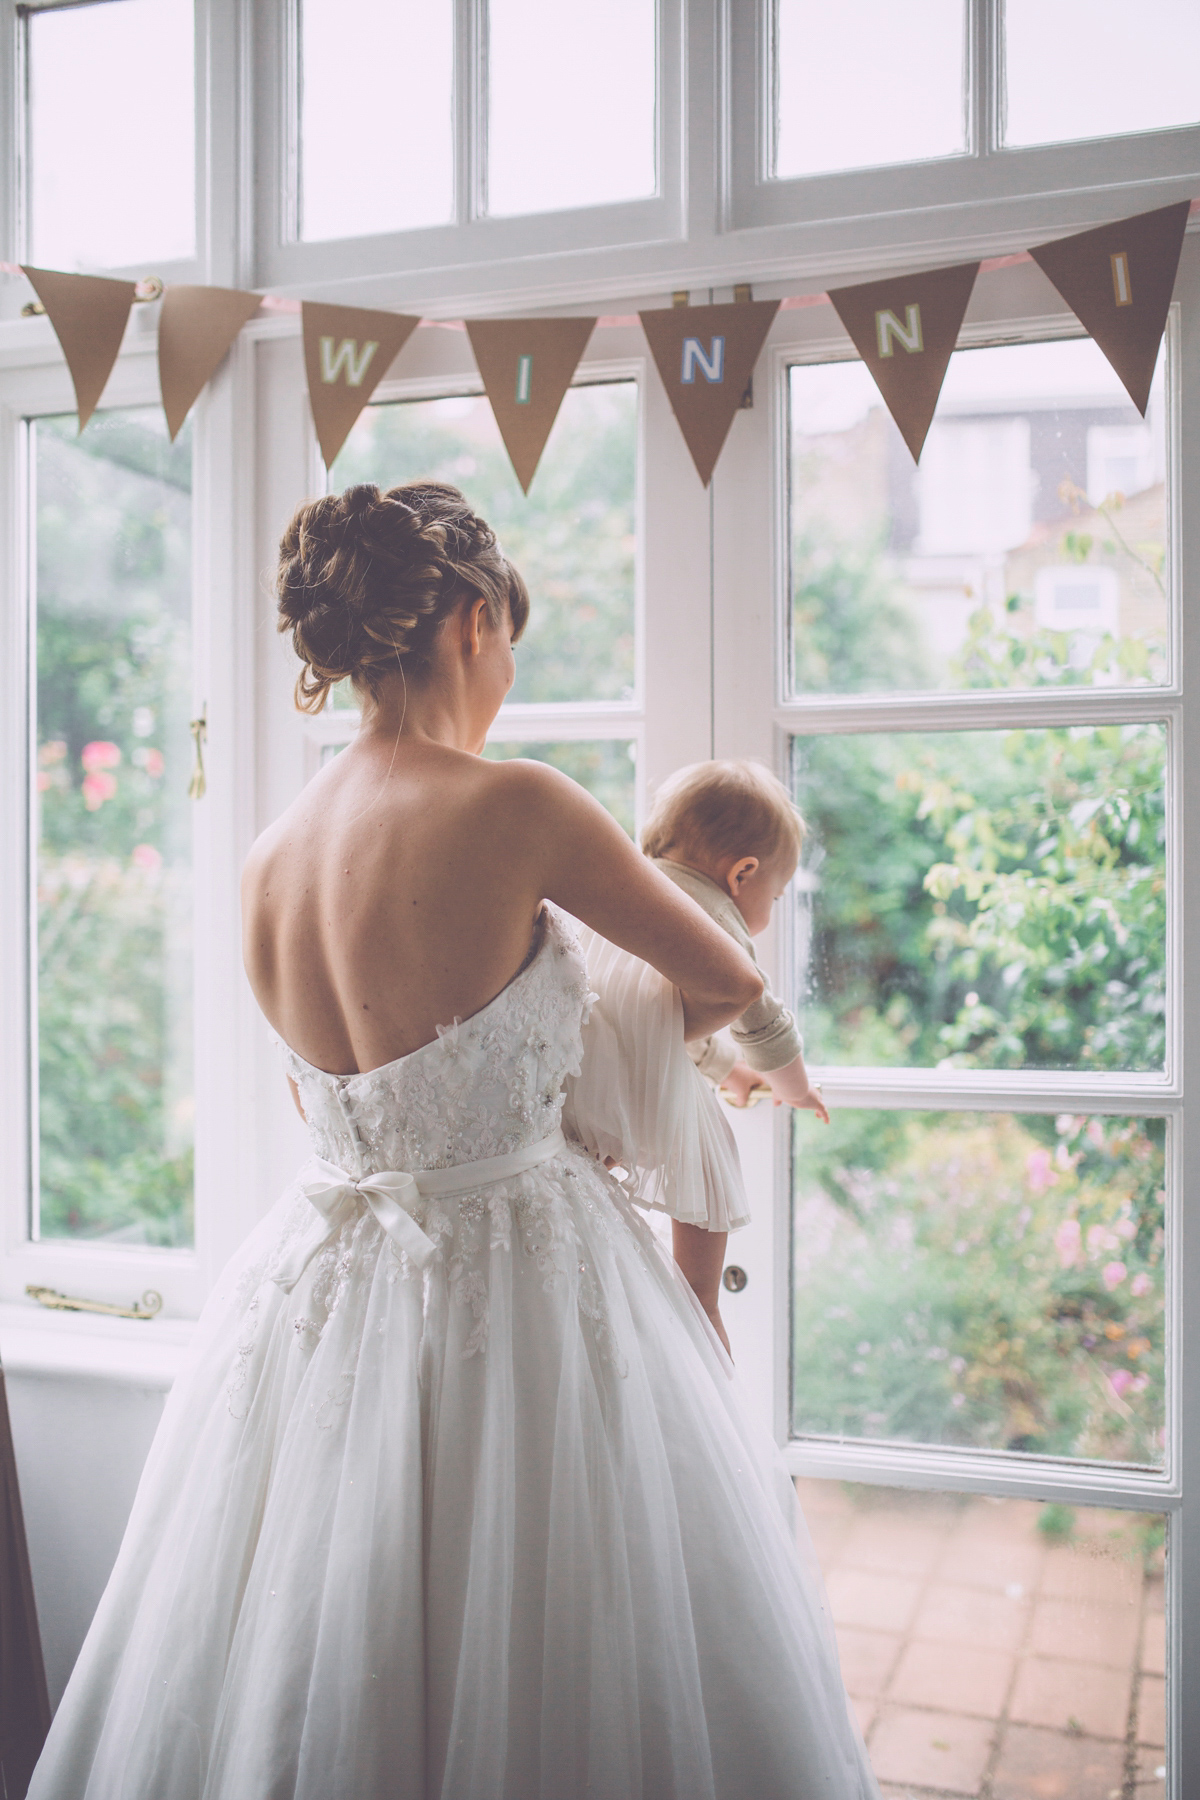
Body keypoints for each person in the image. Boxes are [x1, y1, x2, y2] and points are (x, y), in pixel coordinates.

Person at [28, 482, 877, 1800]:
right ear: (474, 623)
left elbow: (335, 1093)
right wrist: (756, 1064)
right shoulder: (514, 804)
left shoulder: (268, 856)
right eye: (511, 641)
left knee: (306, 1642)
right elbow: (728, 981)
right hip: (523, 1275)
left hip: (314, 1287)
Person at [642, 759, 830, 1121]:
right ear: (742, 874)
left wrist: (730, 1071)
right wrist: (796, 1090)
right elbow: (763, 1023)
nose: (773, 908)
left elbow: (663, 1015)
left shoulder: (631, 887)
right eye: (775, 896)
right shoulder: (713, 919)